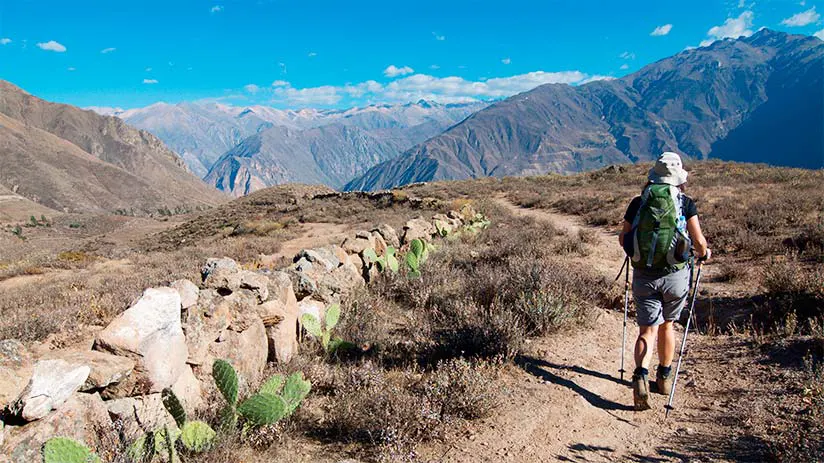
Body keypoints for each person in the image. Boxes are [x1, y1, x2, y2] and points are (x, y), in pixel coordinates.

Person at [618, 152, 710, 411]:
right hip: (675, 275)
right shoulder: (685, 202)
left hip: (644, 274)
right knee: (667, 326)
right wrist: (704, 254)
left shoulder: (638, 202)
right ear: (677, 178)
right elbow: (699, 241)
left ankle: (640, 376)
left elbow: (623, 238)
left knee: (646, 330)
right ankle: (664, 378)